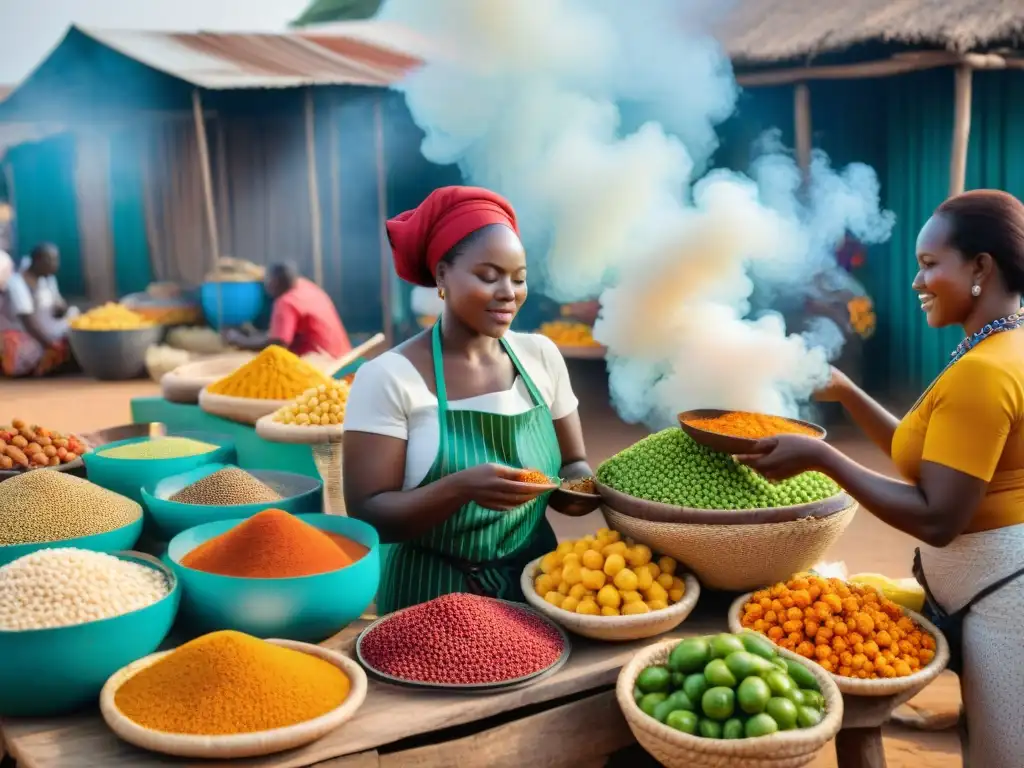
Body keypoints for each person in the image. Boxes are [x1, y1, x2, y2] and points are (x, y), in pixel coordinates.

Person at [734, 189, 1024, 767]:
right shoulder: (1004, 343)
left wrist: (824, 459)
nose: (917, 283)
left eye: (929, 265)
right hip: (987, 591)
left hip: (1005, 601)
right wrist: (845, 390)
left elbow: (939, 517)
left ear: (980, 267)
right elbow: (926, 457)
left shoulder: (983, 372)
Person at [343, 186, 593, 613]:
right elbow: (369, 515)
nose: (508, 292)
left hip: (538, 586)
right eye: (488, 275)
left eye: (518, 277)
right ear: (442, 275)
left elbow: (573, 464)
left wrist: (577, 492)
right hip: (429, 598)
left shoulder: (541, 357)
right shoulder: (387, 377)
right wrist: (461, 488)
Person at [224, 263, 352, 357]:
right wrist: (255, 336)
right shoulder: (305, 285)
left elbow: (278, 345)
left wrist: (240, 341)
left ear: (274, 284)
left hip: (323, 362)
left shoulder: (285, 302)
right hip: (344, 357)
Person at [0, 243, 75, 377]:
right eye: (51, 260)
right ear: (37, 261)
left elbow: (56, 305)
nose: (56, 264)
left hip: (45, 330)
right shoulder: (17, 283)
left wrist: (62, 309)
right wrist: (51, 345)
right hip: (24, 336)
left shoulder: (48, 279)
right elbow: (28, 321)